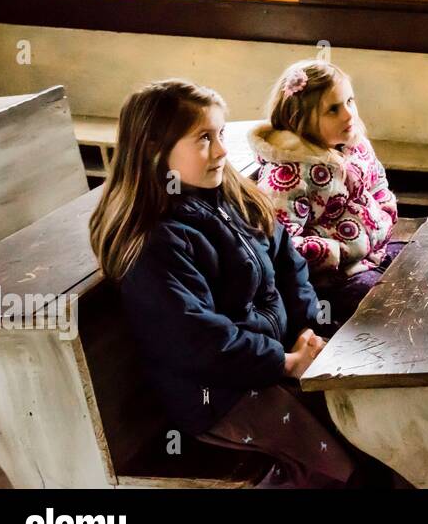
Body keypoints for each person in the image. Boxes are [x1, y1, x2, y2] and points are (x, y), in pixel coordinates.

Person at [89, 79, 357, 487]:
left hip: (274, 359)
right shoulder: (154, 242)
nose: (221, 150)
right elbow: (198, 339)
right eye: (203, 139)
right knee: (337, 460)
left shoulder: (232, 195)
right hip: (219, 395)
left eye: (221, 134)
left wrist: (304, 328)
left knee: (367, 410)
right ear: (155, 150)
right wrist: (283, 361)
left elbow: (289, 263)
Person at [251, 61, 399, 329]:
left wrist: (386, 211)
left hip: (375, 253)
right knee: (389, 306)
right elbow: (280, 244)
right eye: (333, 109)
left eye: (350, 101)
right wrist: (335, 252)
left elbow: (378, 184)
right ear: (298, 120)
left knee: (425, 268)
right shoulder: (289, 174)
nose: (348, 114)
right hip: (334, 282)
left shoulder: (355, 147)